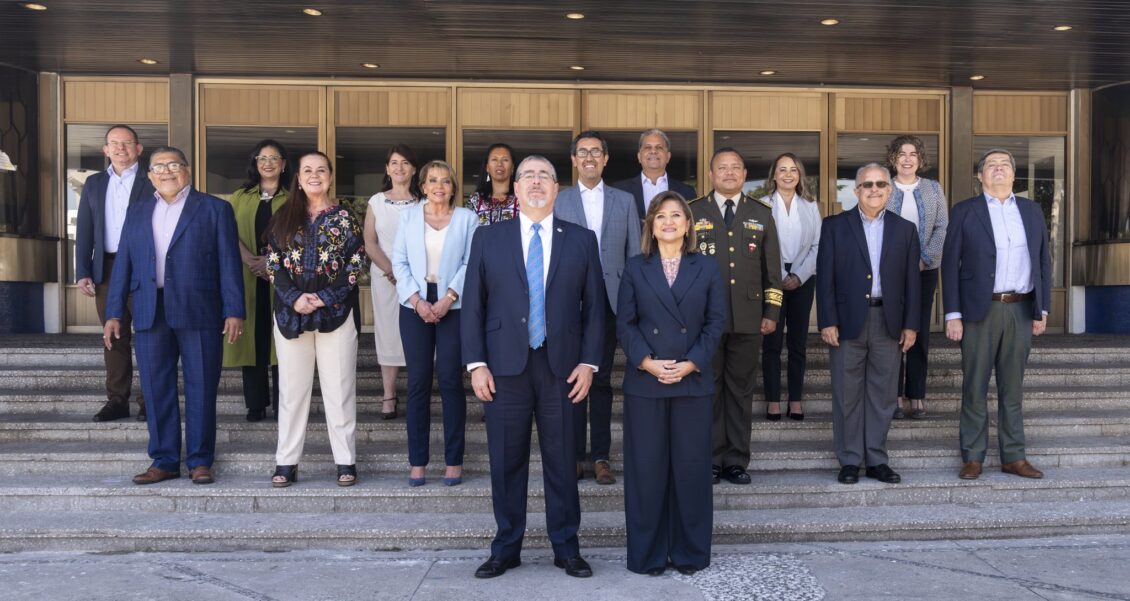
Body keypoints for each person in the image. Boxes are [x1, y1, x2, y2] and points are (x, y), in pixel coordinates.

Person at [462, 155, 605, 579]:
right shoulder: (488, 238)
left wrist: (589, 363)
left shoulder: (581, 239)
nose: (536, 182)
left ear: (557, 188)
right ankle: (506, 547)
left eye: (545, 176)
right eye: (529, 176)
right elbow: (473, 306)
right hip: (504, 368)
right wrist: (476, 364)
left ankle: (566, 548)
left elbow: (596, 309)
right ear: (516, 188)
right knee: (506, 462)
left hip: (563, 368)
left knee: (563, 461)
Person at [103, 146, 244, 485]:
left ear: (188, 170)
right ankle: (164, 460)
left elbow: (229, 263)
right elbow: (124, 263)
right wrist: (113, 312)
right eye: (159, 167)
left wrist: (235, 309)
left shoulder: (215, 209)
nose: (166, 171)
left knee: (201, 387)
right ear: (149, 174)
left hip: (200, 309)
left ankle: (199, 461)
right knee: (155, 388)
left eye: (173, 165)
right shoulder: (137, 212)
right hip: (150, 310)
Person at [617, 191, 726, 576]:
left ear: (687, 224)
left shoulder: (707, 267)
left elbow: (716, 323)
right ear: (650, 224)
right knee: (646, 471)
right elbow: (625, 323)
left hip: (691, 382)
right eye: (660, 215)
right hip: (645, 383)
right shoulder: (635, 267)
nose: (668, 222)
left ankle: (690, 553)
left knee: (691, 470)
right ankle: (647, 555)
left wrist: (691, 363)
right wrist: (646, 362)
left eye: (676, 215)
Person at [943, 148, 1051, 481]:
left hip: (1020, 308)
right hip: (979, 310)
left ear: (1014, 175)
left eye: (1004, 165)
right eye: (992, 165)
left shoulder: (1032, 211)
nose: (999, 169)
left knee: (1012, 388)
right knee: (974, 385)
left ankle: (1014, 456)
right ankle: (973, 456)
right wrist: (953, 314)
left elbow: (1044, 260)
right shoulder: (965, 211)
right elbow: (949, 265)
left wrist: (1042, 307)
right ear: (980, 176)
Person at [265, 152, 366, 488]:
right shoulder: (283, 216)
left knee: (340, 390)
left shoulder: (346, 217)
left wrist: (323, 298)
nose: (314, 175)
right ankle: (286, 462)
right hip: (290, 316)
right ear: (297, 177)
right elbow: (273, 264)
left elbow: (355, 264)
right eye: (307, 170)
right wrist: (295, 298)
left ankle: (345, 462)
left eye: (321, 170)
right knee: (292, 392)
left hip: (337, 314)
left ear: (330, 176)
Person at [816, 163, 920, 486]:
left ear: (889, 190)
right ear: (856, 190)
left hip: (889, 321)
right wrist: (827, 320)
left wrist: (911, 325)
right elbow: (825, 278)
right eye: (867, 184)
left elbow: (912, 283)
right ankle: (849, 460)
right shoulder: (834, 227)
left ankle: (876, 458)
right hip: (847, 322)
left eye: (880, 184)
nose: (874, 189)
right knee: (846, 393)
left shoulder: (905, 230)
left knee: (884, 393)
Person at [688, 147, 782, 486]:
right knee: (708, 390)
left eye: (735, 168)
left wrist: (771, 311)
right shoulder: (693, 211)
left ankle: (736, 460)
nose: (729, 173)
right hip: (705, 321)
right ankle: (711, 459)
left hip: (748, 318)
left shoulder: (762, 213)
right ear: (711, 174)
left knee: (741, 392)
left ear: (745, 175)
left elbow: (772, 270)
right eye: (722, 168)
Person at [554, 130, 641, 484]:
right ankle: (574, 454)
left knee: (602, 380)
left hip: (611, 299)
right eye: (582, 152)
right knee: (571, 378)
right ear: (573, 160)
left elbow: (635, 255)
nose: (589, 157)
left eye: (596, 152)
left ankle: (602, 456)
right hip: (567, 301)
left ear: (605, 159)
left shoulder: (624, 201)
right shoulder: (558, 201)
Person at [392, 160, 477, 487]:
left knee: (451, 381)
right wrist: (417, 300)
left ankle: (453, 461)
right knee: (417, 383)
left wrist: (448, 298)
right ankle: (418, 462)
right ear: (423, 186)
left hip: (454, 306)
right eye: (432, 181)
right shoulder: (409, 216)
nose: (439, 186)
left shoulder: (468, 219)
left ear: (453, 187)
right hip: (414, 306)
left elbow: (472, 261)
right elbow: (398, 261)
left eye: (445, 181)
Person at [75, 125, 154, 422]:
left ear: (138, 149)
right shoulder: (94, 183)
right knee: (114, 335)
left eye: (127, 143)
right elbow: (84, 229)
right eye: (114, 143)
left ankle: (150, 401)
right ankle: (117, 400)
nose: (120, 148)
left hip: (145, 267)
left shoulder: (152, 180)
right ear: (105, 150)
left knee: (148, 334)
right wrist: (83, 269)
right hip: (106, 268)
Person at [223, 139, 291, 422]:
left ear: (283, 164)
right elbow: (227, 232)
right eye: (262, 158)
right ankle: (255, 403)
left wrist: (272, 262)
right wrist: (251, 260)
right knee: (253, 337)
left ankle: (282, 404)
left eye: (274, 158)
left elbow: (300, 234)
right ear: (255, 163)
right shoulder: (241, 196)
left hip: (285, 277)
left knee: (281, 338)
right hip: (246, 275)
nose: (268, 163)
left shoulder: (294, 197)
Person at [885, 135, 948, 420]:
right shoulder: (883, 187)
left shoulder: (933, 188)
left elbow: (942, 227)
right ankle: (894, 394)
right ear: (893, 158)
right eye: (902, 153)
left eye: (913, 154)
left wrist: (925, 259)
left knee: (919, 330)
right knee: (893, 330)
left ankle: (917, 395)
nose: (907, 159)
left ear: (920, 159)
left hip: (925, 270)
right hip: (890, 272)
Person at [760, 153, 821, 421]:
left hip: (803, 280)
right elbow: (758, 247)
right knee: (771, 343)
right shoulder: (761, 205)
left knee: (798, 343)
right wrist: (778, 275)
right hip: (771, 279)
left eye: (793, 170)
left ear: (800, 175)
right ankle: (773, 400)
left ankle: (795, 400)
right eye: (782, 169)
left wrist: (798, 275)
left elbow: (818, 246)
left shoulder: (810, 205)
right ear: (774, 174)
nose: (787, 174)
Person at [363, 144, 422, 420]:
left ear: (413, 169)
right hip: (386, 277)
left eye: (405, 163)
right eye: (394, 163)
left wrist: (408, 273)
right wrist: (391, 270)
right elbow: (369, 242)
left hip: (419, 277)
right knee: (388, 332)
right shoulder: (376, 201)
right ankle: (389, 394)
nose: (400, 168)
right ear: (387, 169)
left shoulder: (424, 202)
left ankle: (418, 392)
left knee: (417, 332)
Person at [612, 128, 697, 220]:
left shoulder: (687, 192)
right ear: (639, 157)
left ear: (668, 157)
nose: (653, 151)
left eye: (659, 147)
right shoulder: (619, 191)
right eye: (648, 147)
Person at [466, 143, 518, 225]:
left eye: (505, 160)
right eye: (494, 159)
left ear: (512, 168)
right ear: (487, 168)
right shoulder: (475, 200)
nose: (499, 164)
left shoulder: (522, 199)